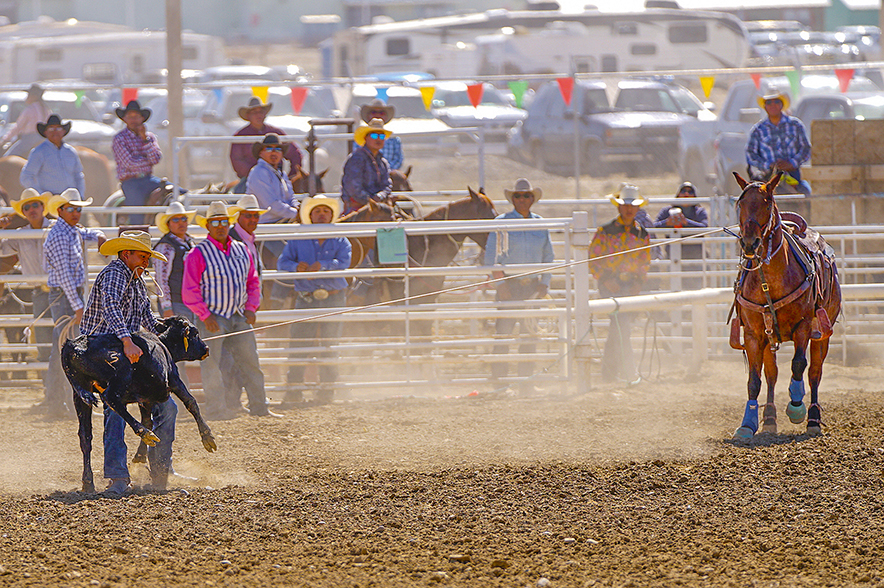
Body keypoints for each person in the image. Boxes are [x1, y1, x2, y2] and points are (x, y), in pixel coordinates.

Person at [80, 230, 176, 495]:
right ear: (126, 254)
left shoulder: (136, 280)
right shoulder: (114, 274)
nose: (146, 261)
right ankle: (117, 476)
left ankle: (161, 470)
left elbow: (148, 318)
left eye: (147, 257)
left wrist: (170, 336)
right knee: (115, 407)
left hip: (124, 352)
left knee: (168, 407)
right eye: (142, 256)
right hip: (101, 353)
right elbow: (111, 307)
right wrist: (126, 340)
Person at [182, 201, 279, 419]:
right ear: (207, 226)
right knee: (212, 365)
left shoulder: (241, 249)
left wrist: (251, 307)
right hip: (213, 316)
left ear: (229, 224)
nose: (220, 226)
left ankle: (259, 406)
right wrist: (204, 315)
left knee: (250, 362)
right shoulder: (198, 253)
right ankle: (216, 409)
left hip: (238, 314)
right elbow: (189, 289)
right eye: (215, 222)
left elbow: (252, 281)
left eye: (224, 222)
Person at [277, 195, 351, 405]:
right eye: (317, 211)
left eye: (325, 211)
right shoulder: (299, 238)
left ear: (331, 215)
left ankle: (326, 391)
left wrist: (323, 265)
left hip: (332, 296)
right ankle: (294, 390)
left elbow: (345, 261)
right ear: (310, 215)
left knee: (330, 344)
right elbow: (283, 263)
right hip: (308, 296)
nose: (321, 214)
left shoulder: (340, 238)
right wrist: (296, 267)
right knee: (300, 343)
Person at [484, 178, 554, 394]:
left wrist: (544, 283)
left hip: (532, 286)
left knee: (529, 334)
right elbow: (491, 258)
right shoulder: (501, 222)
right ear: (512, 199)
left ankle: (526, 383)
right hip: (510, 285)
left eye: (526, 195)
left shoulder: (540, 224)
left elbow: (548, 256)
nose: (522, 199)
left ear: (532, 199)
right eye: (518, 196)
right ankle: (500, 383)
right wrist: (501, 284)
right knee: (503, 333)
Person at [42, 189, 106, 418]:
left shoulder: (71, 230)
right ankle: (65, 403)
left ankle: (59, 402)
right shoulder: (60, 235)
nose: (76, 212)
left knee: (62, 348)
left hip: (67, 296)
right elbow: (65, 276)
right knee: (68, 350)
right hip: (66, 297)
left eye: (78, 209)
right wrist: (78, 306)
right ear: (60, 210)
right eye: (71, 208)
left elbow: (87, 232)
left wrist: (99, 235)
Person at [589, 185, 651, 384]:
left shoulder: (642, 234)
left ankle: (610, 373)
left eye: (632, 206)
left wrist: (639, 282)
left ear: (638, 208)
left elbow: (644, 261)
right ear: (619, 207)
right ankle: (627, 371)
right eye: (625, 205)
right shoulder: (605, 231)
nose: (629, 209)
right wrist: (605, 279)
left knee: (619, 327)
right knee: (621, 326)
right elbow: (593, 258)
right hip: (610, 284)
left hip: (630, 285)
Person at [0, 189, 53, 409]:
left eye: (35, 205)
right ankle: (50, 395)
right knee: (43, 344)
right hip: (39, 292)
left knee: (65, 343)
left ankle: (66, 395)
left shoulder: (56, 228)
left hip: (61, 291)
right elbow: (2, 250)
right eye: (27, 207)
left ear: (43, 207)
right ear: (23, 212)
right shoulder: (20, 235)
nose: (31, 210)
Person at [230, 97, 303, 193]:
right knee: (239, 196)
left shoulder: (276, 133)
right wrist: (255, 174)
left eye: (261, 112)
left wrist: (291, 176)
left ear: (265, 114)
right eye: (254, 112)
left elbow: (295, 154)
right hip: (250, 180)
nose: (258, 115)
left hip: (277, 177)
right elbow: (236, 160)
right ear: (248, 116)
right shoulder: (240, 136)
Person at [746, 91, 812, 196]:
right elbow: (750, 154)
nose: (773, 105)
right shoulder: (758, 130)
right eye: (769, 102)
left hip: (793, 176)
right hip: (767, 178)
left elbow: (806, 149)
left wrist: (791, 163)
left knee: (807, 194)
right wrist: (769, 165)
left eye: (776, 101)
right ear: (765, 106)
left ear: (782, 105)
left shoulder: (795, 125)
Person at [111, 100, 163, 224]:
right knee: (137, 215)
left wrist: (144, 139)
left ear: (142, 118)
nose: (133, 119)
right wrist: (147, 161)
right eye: (130, 116)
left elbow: (156, 158)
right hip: (131, 182)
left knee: (176, 192)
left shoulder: (149, 137)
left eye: (136, 116)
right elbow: (130, 163)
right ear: (124, 119)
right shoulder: (119, 138)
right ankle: (136, 230)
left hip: (149, 179)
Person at [654, 181, 709, 288]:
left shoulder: (699, 211)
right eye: (683, 191)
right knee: (675, 287)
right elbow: (654, 226)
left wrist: (686, 222)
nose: (686, 194)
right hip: (673, 255)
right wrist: (667, 223)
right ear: (678, 194)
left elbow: (704, 228)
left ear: (694, 196)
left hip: (695, 257)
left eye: (690, 192)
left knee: (696, 289)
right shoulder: (667, 211)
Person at [19, 114, 86, 198]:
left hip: (70, 199)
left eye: (58, 128)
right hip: (50, 200)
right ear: (45, 132)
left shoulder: (70, 152)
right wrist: (41, 195)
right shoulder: (39, 152)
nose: (55, 132)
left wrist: (80, 195)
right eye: (51, 129)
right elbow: (26, 176)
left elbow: (78, 175)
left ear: (63, 131)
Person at [153, 201, 197, 321]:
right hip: (176, 303)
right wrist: (167, 307)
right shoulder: (165, 246)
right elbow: (161, 278)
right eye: (176, 220)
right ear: (168, 224)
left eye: (184, 219)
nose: (181, 223)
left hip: (190, 302)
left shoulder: (189, 243)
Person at [341, 118, 392, 215]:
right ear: (365, 138)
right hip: (357, 208)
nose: (378, 139)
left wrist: (380, 196)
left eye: (381, 136)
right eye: (374, 135)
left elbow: (387, 185)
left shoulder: (383, 162)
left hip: (379, 207)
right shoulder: (356, 159)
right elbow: (353, 188)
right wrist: (371, 201)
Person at [245, 134, 300, 224]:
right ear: (260, 153)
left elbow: (291, 197)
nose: (274, 152)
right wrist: (297, 214)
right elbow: (271, 204)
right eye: (269, 148)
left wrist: (298, 208)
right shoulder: (258, 172)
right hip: (265, 224)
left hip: (284, 221)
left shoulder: (282, 174)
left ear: (281, 154)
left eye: (278, 149)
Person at [2, 84, 50, 158]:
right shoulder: (46, 110)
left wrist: (5, 139)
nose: (27, 97)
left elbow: (18, 127)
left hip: (29, 139)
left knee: (7, 157)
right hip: (44, 138)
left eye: (29, 95)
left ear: (34, 97)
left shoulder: (29, 110)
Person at [229, 194, 269, 277]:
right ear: (237, 216)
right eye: (248, 216)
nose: (253, 219)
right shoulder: (229, 240)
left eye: (256, 215)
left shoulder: (249, 240)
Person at [360, 99, 403, 170]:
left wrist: (386, 171)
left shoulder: (394, 139)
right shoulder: (359, 138)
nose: (377, 115)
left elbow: (398, 160)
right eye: (374, 112)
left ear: (386, 116)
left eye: (381, 113)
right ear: (365, 138)